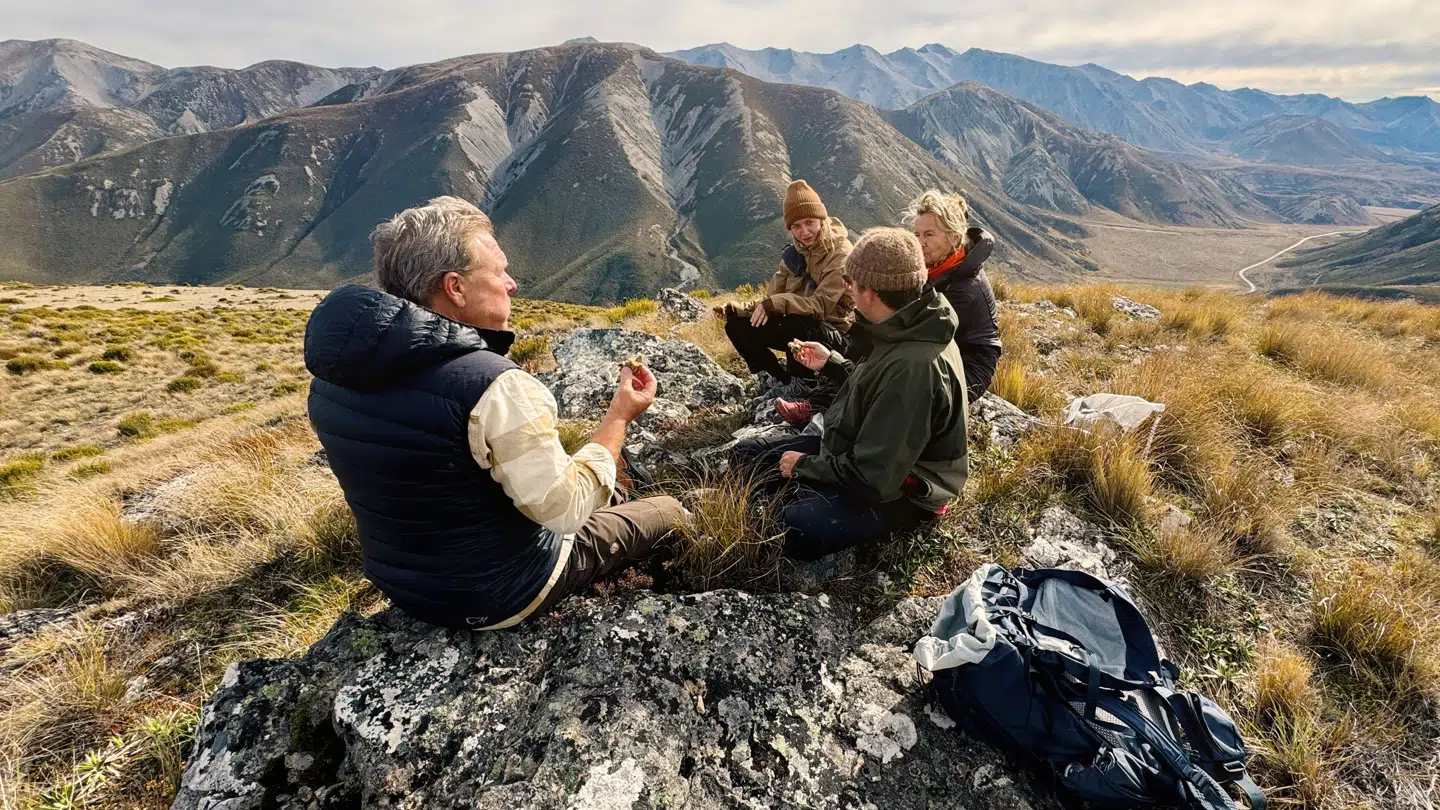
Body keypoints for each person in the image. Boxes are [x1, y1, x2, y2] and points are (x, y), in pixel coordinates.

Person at [304, 196, 689, 631]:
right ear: (455, 288)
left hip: (407, 588)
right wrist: (618, 417)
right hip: (502, 593)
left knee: (614, 485)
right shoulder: (492, 386)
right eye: (499, 272)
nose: (512, 284)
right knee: (671, 510)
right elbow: (563, 510)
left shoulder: (333, 378)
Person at [732, 227, 970, 561]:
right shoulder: (905, 325)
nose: (849, 291)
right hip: (861, 449)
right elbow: (877, 393)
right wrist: (832, 364)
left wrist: (805, 467)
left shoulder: (914, 369)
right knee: (746, 457)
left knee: (791, 526)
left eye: (852, 284)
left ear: (871, 293)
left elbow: (877, 478)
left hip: (903, 490)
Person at [716, 179, 855, 387]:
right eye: (796, 226)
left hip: (835, 334)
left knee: (796, 320)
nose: (804, 232)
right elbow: (771, 300)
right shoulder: (794, 254)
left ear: (821, 220)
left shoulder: (840, 253)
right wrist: (740, 310)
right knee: (737, 326)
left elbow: (820, 307)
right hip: (798, 328)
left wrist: (777, 303)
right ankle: (781, 379)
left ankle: (804, 384)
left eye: (810, 222)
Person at [910, 190, 1002, 403]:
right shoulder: (940, 267)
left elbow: (920, 334)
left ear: (953, 236)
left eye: (929, 235)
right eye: (917, 235)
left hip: (969, 370)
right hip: (943, 354)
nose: (920, 243)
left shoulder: (964, 288)